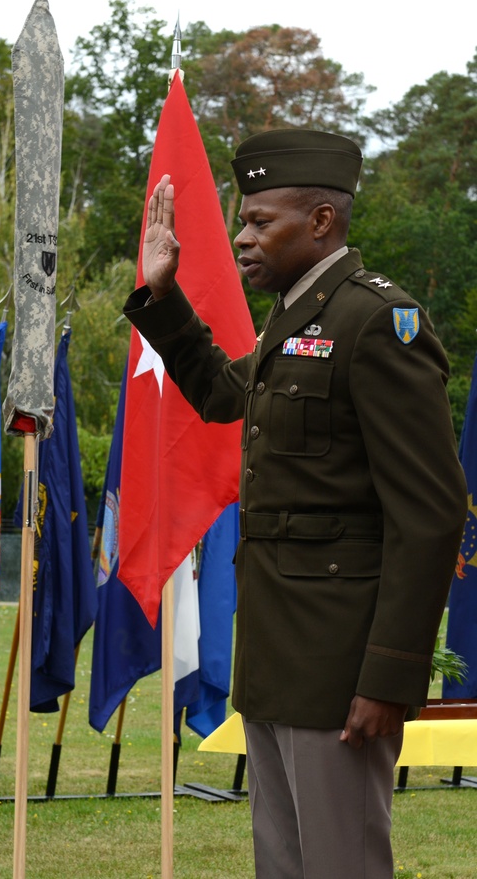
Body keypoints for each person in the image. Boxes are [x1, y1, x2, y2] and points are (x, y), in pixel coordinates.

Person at [124, 130, 467, 878]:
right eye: (243, 221)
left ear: (320, 222)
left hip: (344, 665)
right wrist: (162, 294)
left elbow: (432, 515)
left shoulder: (378, 324)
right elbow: (220, 394)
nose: (244, 238)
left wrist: (388, 675)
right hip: (280, 652)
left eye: (260, 222)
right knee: (283, 862)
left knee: (341, 863)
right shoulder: (295, 320)